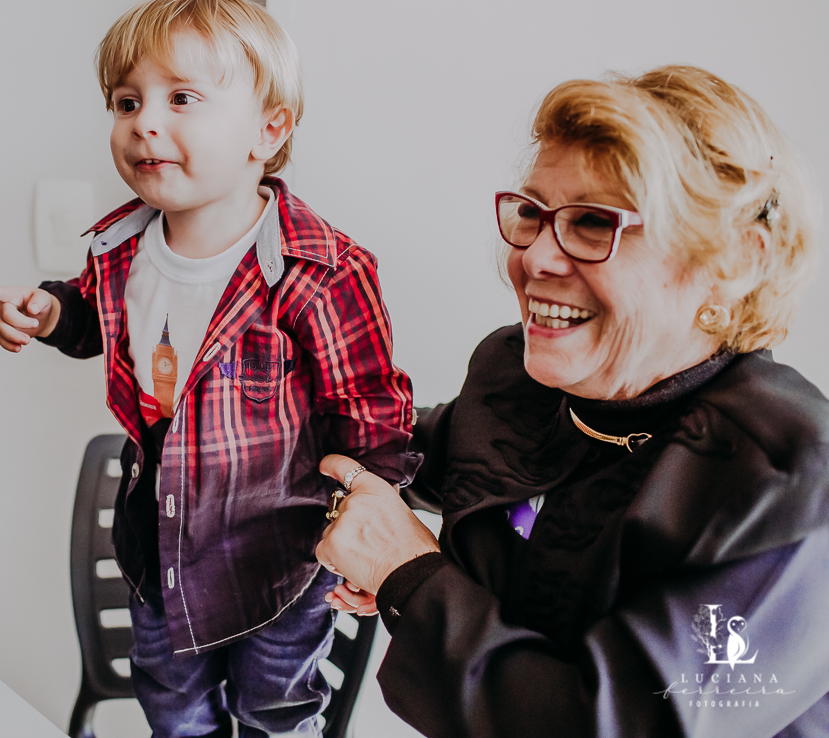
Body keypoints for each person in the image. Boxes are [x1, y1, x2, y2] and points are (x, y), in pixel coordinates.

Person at [315, 65, 829, 737]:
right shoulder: (514, 375)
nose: (536, 259)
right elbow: (425, 452)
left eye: (593, 223)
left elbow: (603, 724)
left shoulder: (791, 489)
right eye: (532, 214)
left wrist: (407, 576)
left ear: (733, 261)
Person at [0, 0, 418, 737]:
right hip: (158, 550)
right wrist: (51, 314)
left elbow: (372, 416)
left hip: (280, 563)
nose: (146, 121)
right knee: (173, 710)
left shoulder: (321, 271)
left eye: (182, 97)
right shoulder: (118, 249)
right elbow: (92, 317)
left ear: (268, 129)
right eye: (127, 101)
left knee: (274, 716)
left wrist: (371, 542)